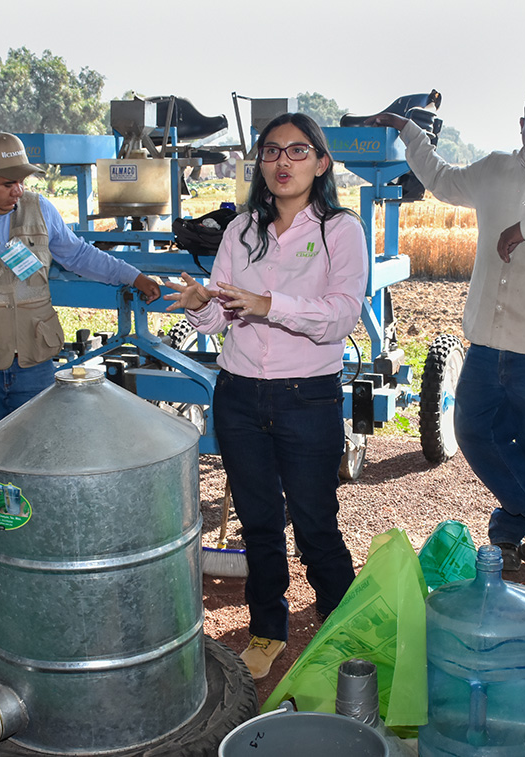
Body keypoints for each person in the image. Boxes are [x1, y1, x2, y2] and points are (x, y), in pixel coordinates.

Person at [367, 83, 525, 571]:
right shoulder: (495, 169)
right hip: (485, 337)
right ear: (521, 125)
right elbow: (440, 178)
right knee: (473, 431)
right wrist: (407, 129)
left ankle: (508, 533)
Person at [165, 113, 367, 679]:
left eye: (297, 151)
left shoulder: (340, 231)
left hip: (308, 398)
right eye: (272, 151)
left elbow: (340, 316)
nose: (282, 162)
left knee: (315, 524)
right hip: (240, 395)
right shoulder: (241, 230)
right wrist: (201, 304)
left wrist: (268, 303)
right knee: (257, 523)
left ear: (321, 163)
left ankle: (341, 628)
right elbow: (217, 321)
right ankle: (266, 630)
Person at [0, 131, 161, 565]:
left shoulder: (39, 210)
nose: (17, 191)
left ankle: (7, 529)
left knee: (39, 452)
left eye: (21, 181)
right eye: (7, 183)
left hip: (35, 358)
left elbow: (78, 255)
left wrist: (131, 276)